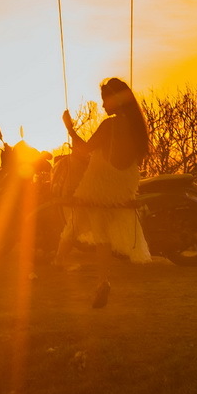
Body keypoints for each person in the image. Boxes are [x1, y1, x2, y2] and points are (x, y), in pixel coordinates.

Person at [54, 77, 153, 266]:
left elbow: (84, 149)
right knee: (77, 221)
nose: (102, 105)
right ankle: (58, 260)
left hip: (100, 186)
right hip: (123, 188)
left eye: (104, 100)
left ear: (116, 100)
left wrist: (70, 128)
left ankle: (102, 280)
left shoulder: (109, 126)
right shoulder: (137, 127)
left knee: (94, 228)